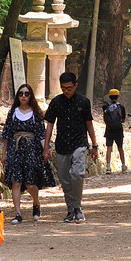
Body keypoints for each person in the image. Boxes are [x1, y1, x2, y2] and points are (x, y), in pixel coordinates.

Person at [43, 72, 98, 223]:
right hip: (61, 145)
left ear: (76, 86)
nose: (66, 91)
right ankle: (70, 209)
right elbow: (49, 125)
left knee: (77, 174)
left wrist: (94, 145)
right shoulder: (56, 102)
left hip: (79, 143)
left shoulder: (83, 102)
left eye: (69, 88)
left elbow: (89, 124)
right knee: (65, 180)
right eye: (63, 88)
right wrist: (46, 147)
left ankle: (78, 207)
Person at [0, 83, 50, 224]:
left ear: (31, 96)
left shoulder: (36, 113)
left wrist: (45, 150)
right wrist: (4, 154)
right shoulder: (13, 113)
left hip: (31, 149)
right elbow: (7, 135)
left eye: (26, 93)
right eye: (21, 93)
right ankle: (18, 213)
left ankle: (36, 202)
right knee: (16, 181)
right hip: (15, 150)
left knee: (30, 183)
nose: (23, 96)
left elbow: (41, 134)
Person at [102, 89, 128, 174]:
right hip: (118, 129)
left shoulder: (105, 106)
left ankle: (108, 167)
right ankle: (123, 165)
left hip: (109, 129)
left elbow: (104, 118)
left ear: (109, 97)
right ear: (118, 97)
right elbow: (123, 120)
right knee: (120, 147)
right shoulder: (121, 107)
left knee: (109, 148)